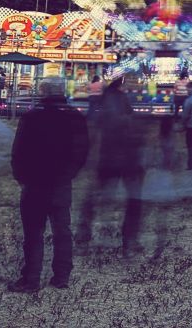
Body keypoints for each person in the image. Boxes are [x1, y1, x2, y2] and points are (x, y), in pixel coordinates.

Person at [9, 78, 89, 292]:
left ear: (42, 92)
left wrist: (21, 176)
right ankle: (62, 275)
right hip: (61, 182)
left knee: (33, 232)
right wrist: (69, 174)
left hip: (35, 182)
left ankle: (31, 278)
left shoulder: (32, 116)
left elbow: (19, 150)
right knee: (62, 230)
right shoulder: (75, 117)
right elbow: (81, 151)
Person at [78, 78, 144, 255]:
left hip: (107, 158)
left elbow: (94, 131)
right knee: (134, 200)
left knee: (95, 197)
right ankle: (129, 241)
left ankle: (83, 237)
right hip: (126, 159)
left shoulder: (104, 101)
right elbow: (130, 126)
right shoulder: (121, 101)